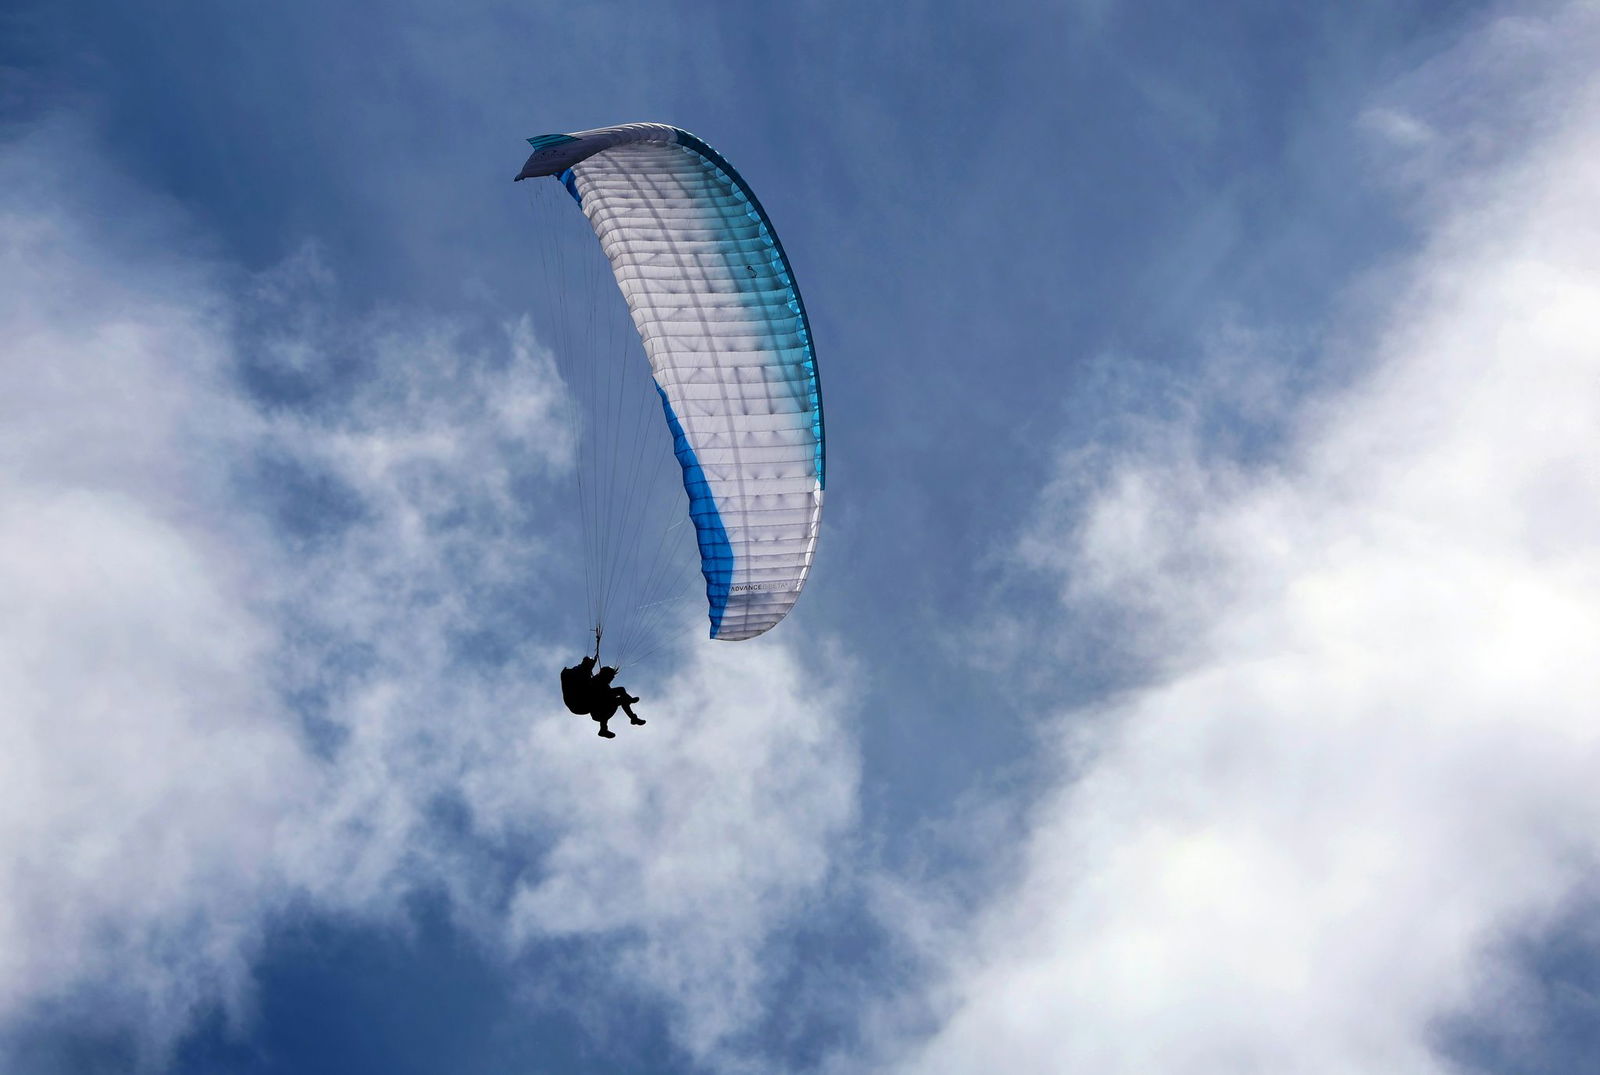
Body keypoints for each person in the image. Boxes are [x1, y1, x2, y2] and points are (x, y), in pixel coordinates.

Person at [559, 654, 645, 739]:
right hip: (583, 706)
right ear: (605, 676)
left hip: (594, 708)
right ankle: (628, 702)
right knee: (619, 691)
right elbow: (584, 675)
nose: (611, 680)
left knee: (620, 699)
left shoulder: (600, 683)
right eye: (611, 678)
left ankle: (631, 719)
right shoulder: (595, 682)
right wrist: (589, 666)